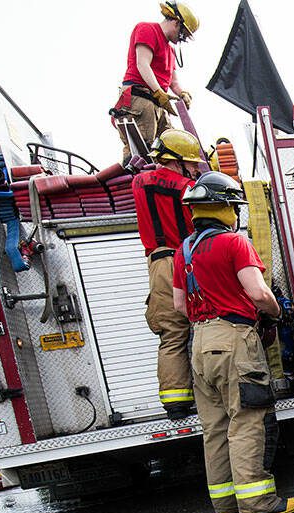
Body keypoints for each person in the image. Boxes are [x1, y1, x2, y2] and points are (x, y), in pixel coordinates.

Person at [172, 171, 294, 513]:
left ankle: (225, 503)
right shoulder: (234, 243)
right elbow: (258, 292)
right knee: (246, 421)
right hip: (234, 339)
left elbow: (180, 306)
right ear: (225, 207)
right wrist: (274, 312)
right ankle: (257, 503)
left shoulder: (183, 251)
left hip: (199, 343)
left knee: (214, 428)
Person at [133, 129, 202, 418]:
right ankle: (210, 393)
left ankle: (175, 402)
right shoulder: (188, 187)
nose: (196, 167)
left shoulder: (139, 182)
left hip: (158, 263)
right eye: (192, 162)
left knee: (172, 334)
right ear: (177, 160)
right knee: (204, 324)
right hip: (188, 259)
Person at [112, 2, 199, 159]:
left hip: (158, 104)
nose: (182, 40)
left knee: (172, 150)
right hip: (140, 98)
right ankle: (135, 181)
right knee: (142, 151)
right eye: (183, 34)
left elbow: (173, 83)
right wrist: (159, 92)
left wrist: (182, 93)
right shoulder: (147, 29)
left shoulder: (170, 50)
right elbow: (142, 64)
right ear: (176, 22)